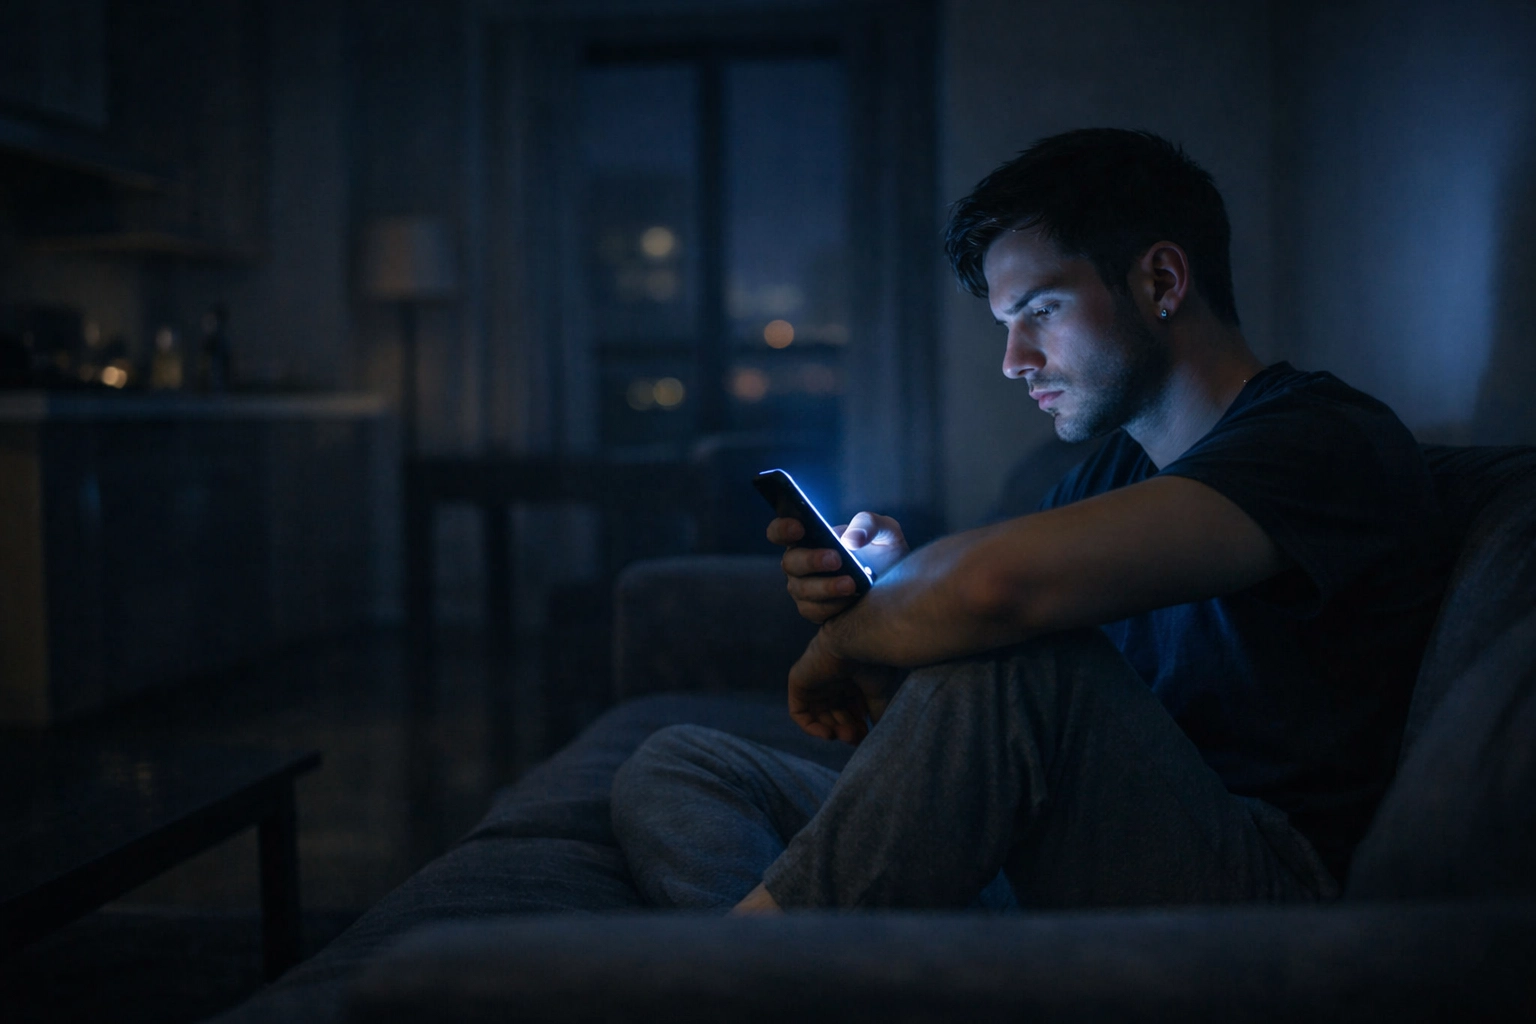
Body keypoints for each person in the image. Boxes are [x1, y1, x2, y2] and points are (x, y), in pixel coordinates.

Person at [610, 128, 1449, 913]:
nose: (1015, 361)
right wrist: (894, 596)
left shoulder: (1322, 438)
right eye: (1006, 325)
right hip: (1070, 838)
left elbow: (998, 602)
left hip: (1256, 880)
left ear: (1161, 281)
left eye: (1041, 311)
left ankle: (743, 972)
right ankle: (825, 962)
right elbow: (975, 729)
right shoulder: (1111, 473)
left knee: (1017, 646)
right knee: (680, 765)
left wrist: (852, 638)